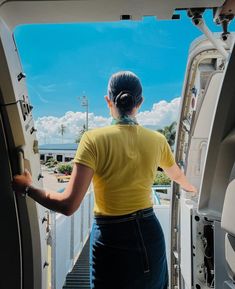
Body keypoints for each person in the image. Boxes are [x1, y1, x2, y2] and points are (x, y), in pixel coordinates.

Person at [13, 71, 196, 289]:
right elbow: (176, 175)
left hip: (111, 237)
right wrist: (194, 190)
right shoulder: (157, 140)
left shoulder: (93, 140)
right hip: (150, 235)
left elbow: (68, 204)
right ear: (141, 102)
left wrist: (27, 188)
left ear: (108, 100)